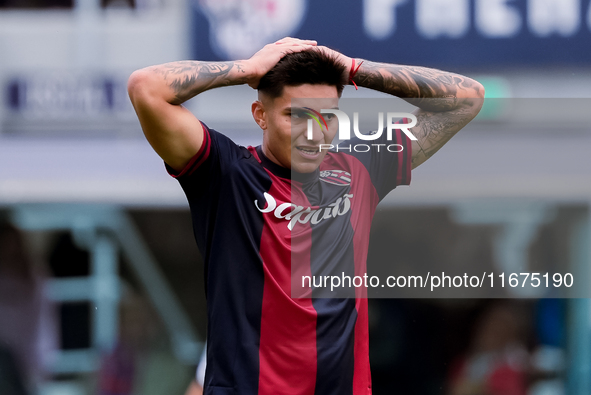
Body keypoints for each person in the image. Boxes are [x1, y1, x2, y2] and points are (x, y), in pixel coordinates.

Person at [128, 37, 484, 394]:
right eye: (296, 115)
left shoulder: (362, 168)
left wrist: (354, 68)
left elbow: (467, 99)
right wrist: (248, 69)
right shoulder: (225, 174)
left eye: (326, 117)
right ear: (260, 115)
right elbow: (146, 88)